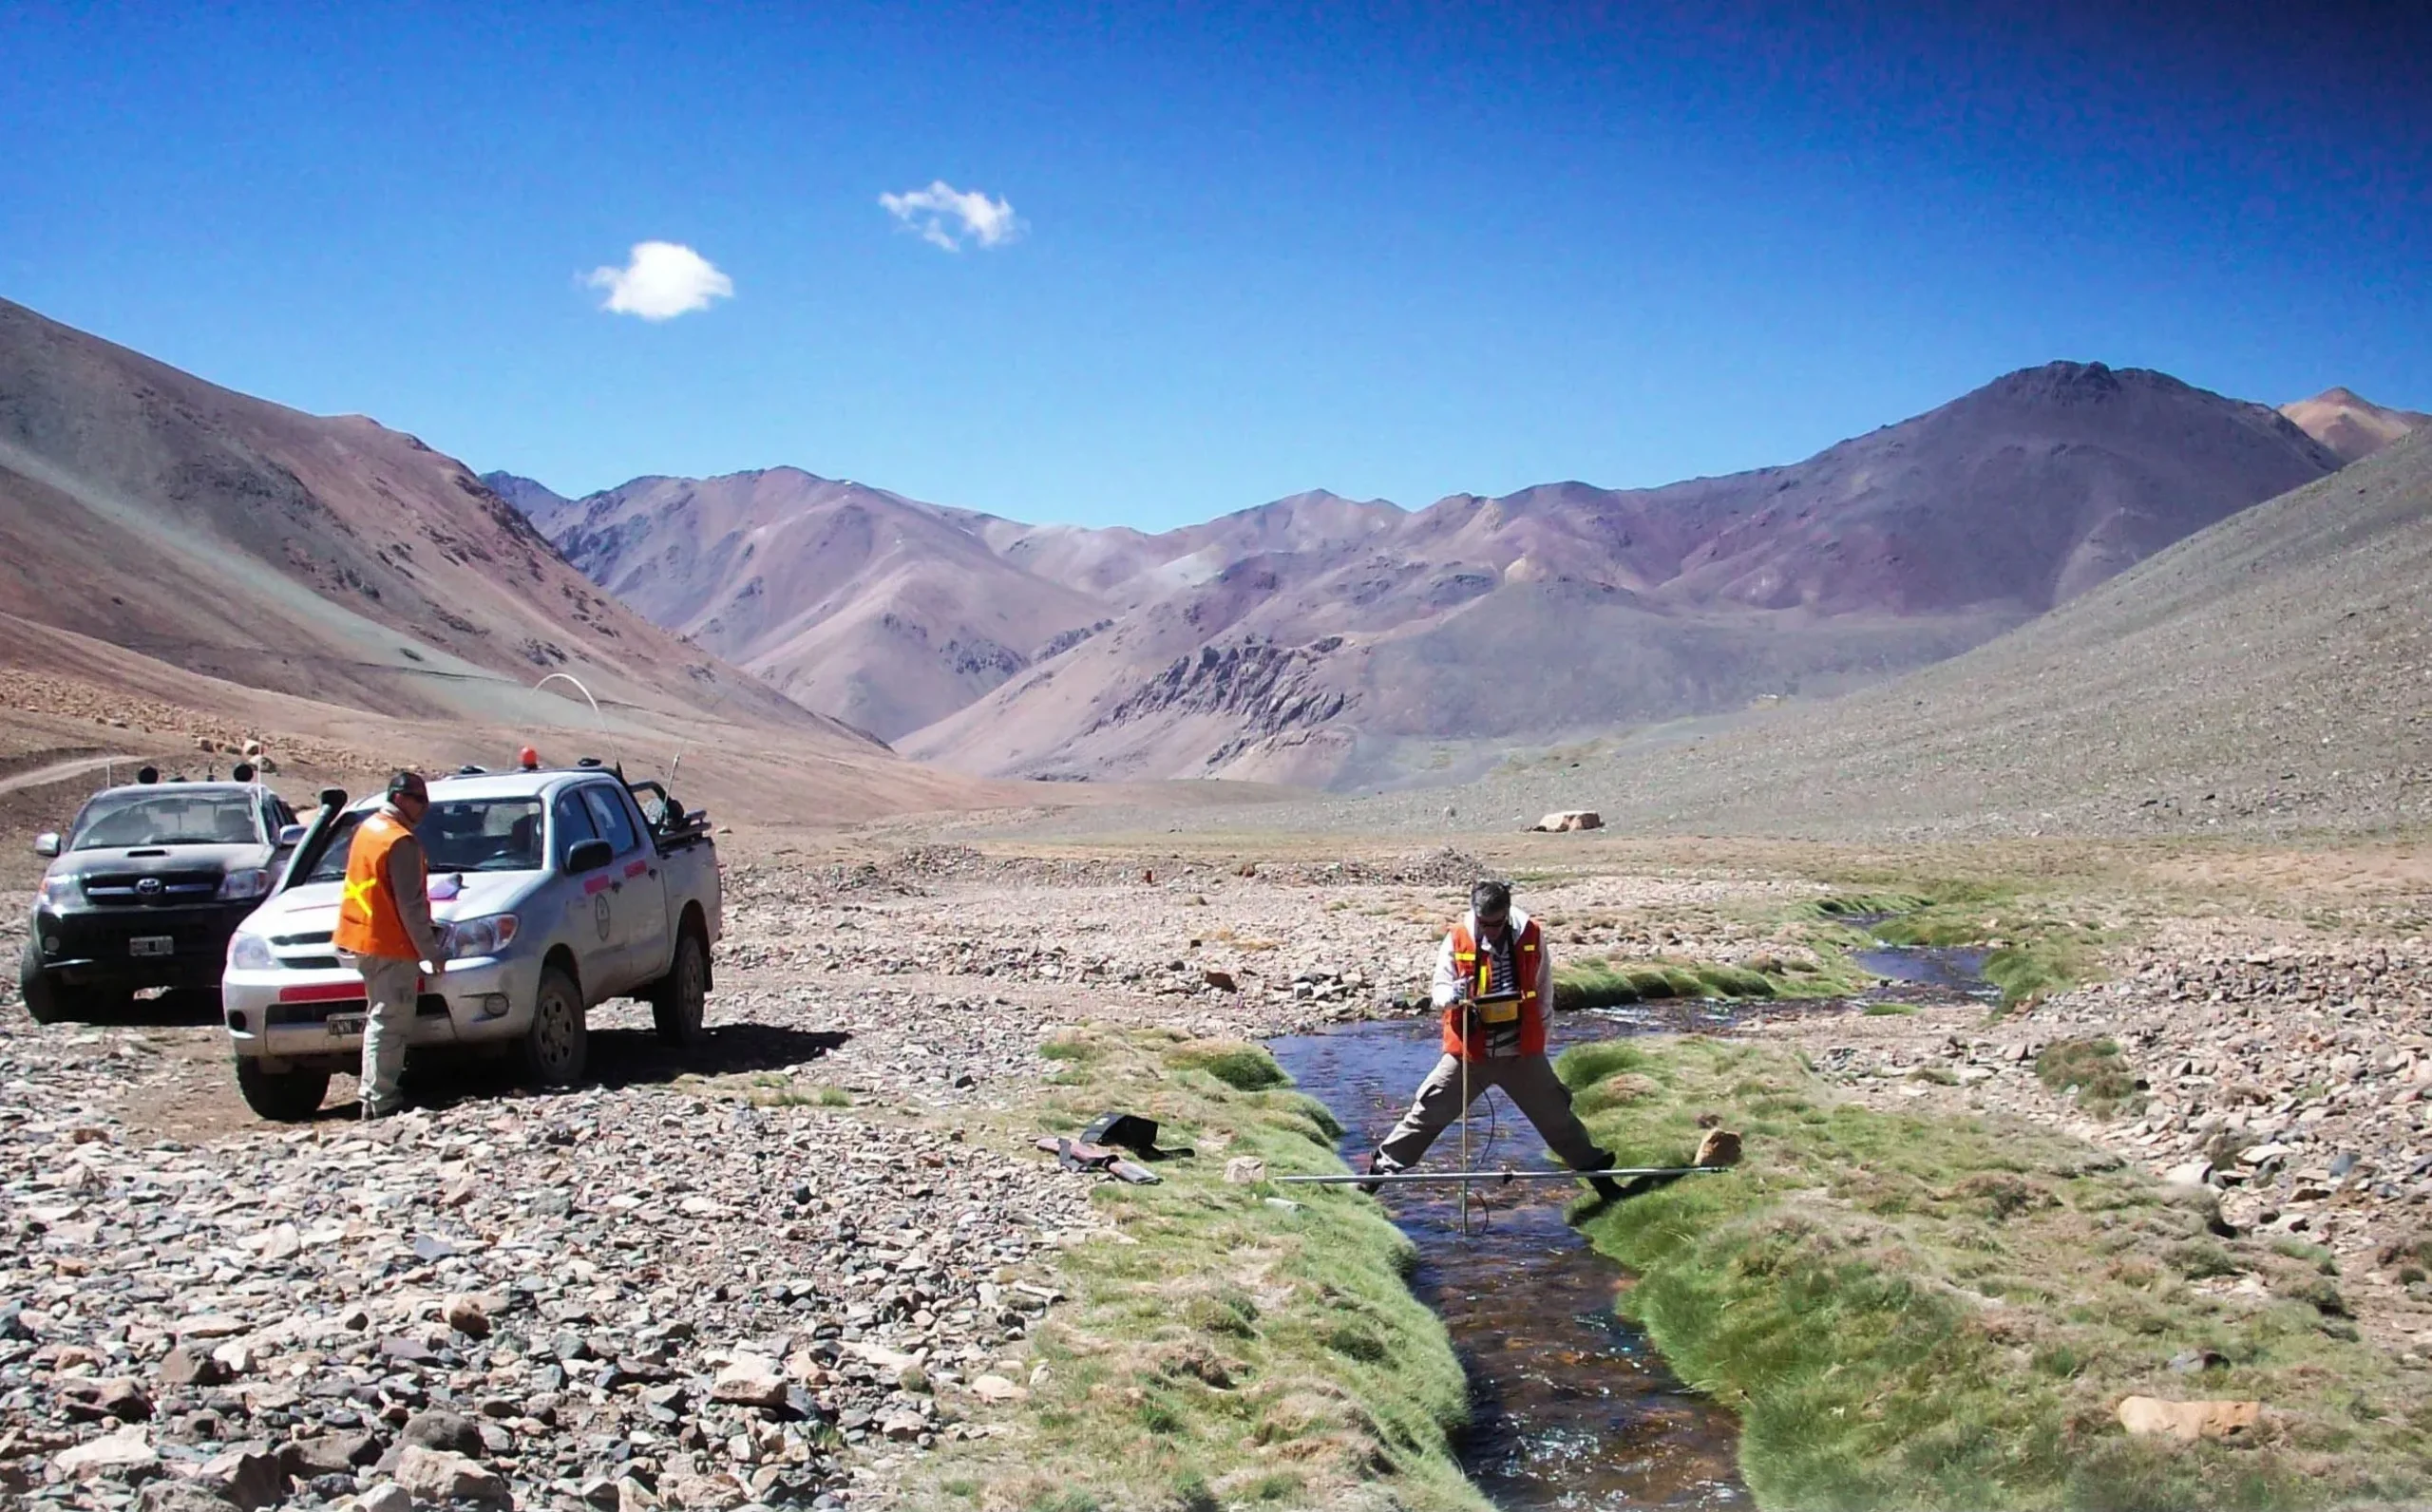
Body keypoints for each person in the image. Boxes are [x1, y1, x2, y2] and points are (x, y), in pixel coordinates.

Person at [1368, 879, 1623, 1200]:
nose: (1489, 930)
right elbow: (1439, 990)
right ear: (1475, 912)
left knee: (1556, 1116)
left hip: (1521, 1053)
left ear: (1507, 912)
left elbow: (1543, 990)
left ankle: (1603, 1181)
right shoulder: (1457, 936)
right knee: (1428, 1112)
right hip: (1469, 1054)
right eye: (1483, 923)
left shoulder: (1531, 934)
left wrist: (1540, 1041)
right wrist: (1453, 995)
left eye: (1496, 923)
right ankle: (1376, 1175)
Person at [332, 771, 449, 1119]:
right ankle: (380, 1098)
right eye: (419, 800)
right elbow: (410, 906)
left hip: (362, 937)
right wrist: (431, 952)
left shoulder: (368, 829)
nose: (425, 808)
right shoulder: (400, 841)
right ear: (400, 798)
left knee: (380, 1017)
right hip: (389, 943)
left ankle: (375, 1095)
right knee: (390, 1021)